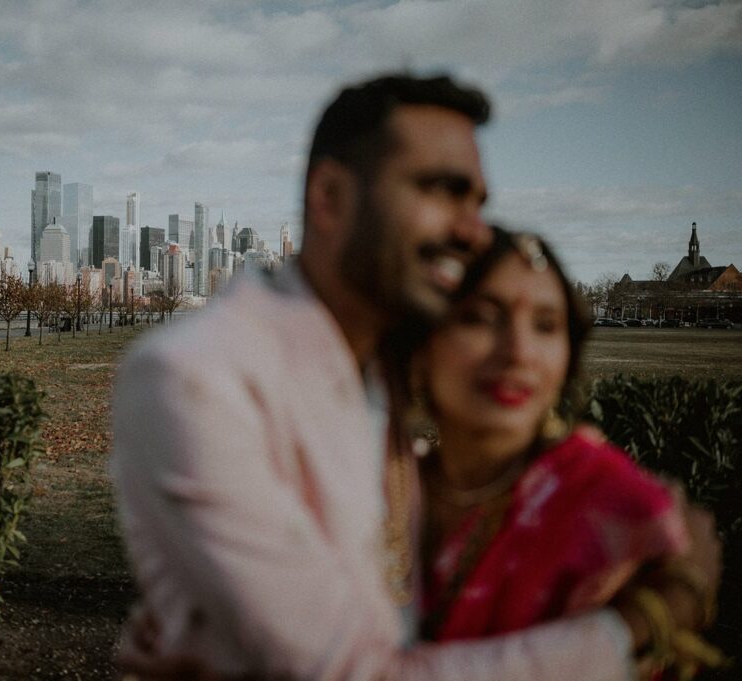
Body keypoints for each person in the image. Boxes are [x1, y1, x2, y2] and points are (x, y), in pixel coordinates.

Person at [110, 73, 720, 679]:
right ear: (329, 197)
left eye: (477, 201)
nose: (472, 230)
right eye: (441, 190)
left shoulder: (381, 375)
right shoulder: (200, 378)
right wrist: (647, 621)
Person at [404, 228, 723, 675]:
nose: (520, 352)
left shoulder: (616, 507)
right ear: (422, 341)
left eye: (546, 325)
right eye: (480, 317)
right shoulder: (378, 480)